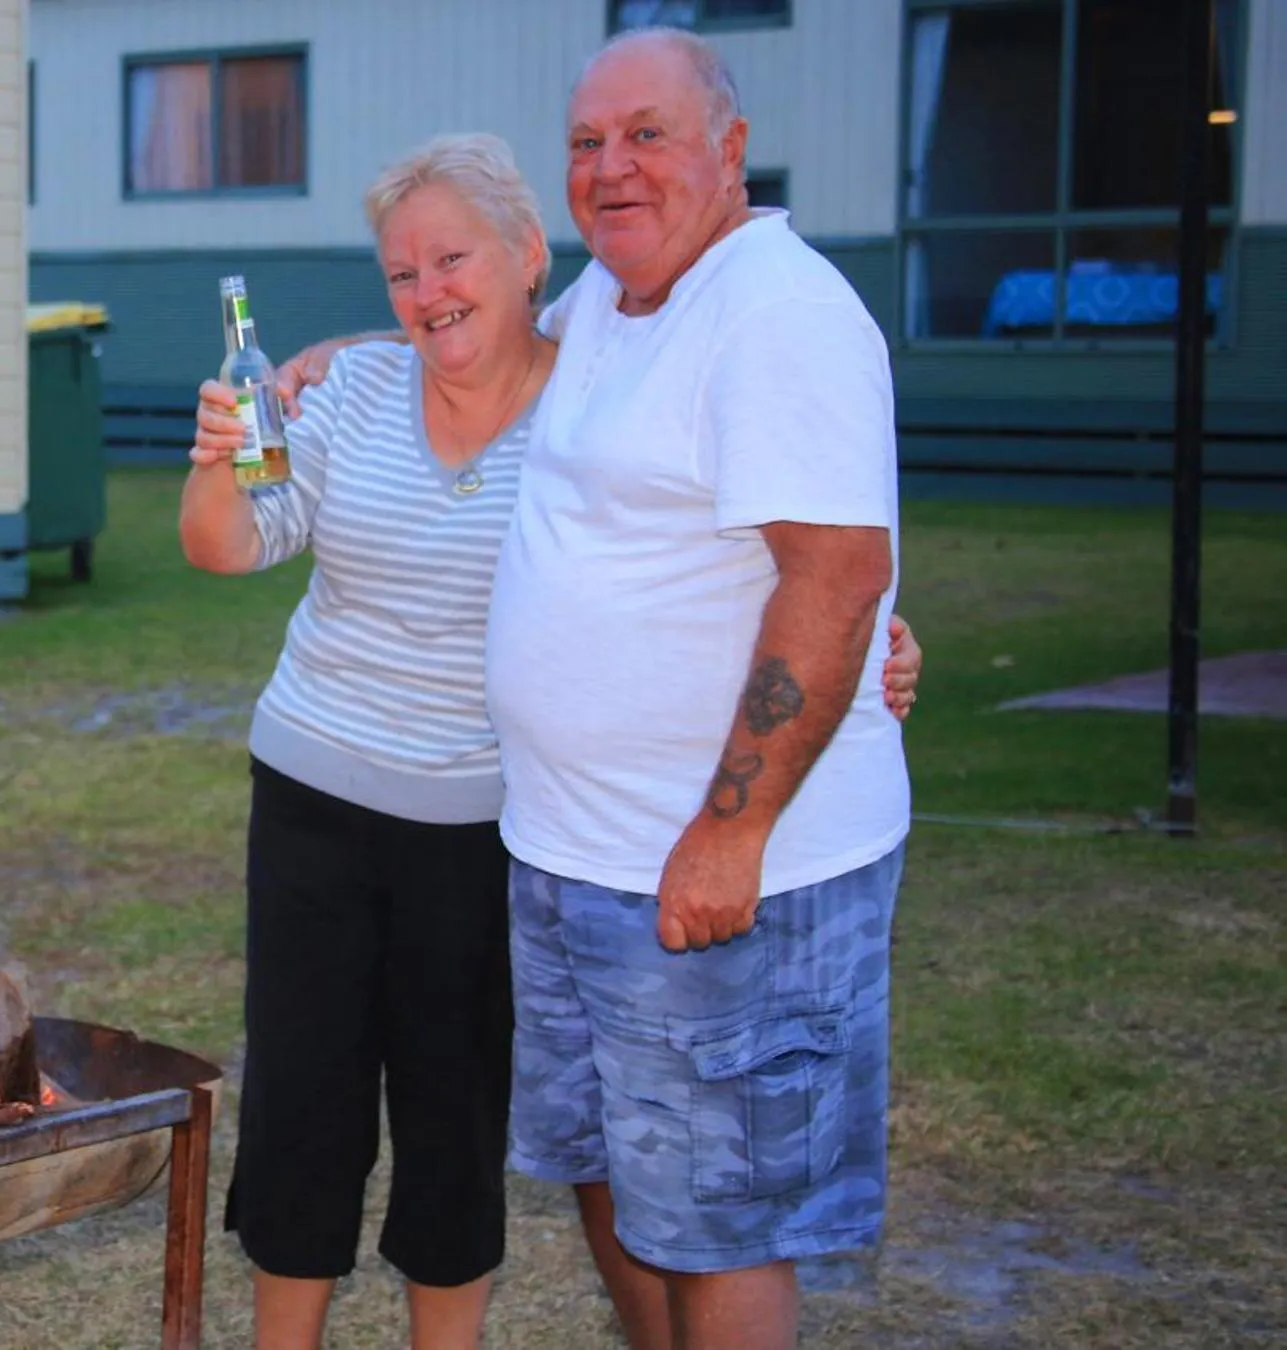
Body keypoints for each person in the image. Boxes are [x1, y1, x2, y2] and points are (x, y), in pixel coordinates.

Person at [181, 131, 922, 1349]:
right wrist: (218, 459)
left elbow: (745, 537)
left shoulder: (595, 396)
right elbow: (226, 545)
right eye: (399, 275)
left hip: (490, 823)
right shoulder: (352, 387)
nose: (426, 293)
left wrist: (882, 633)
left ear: (529, 256)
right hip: (314, 798)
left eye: (450, 259)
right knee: (304, 1103)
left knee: (454, 1114)